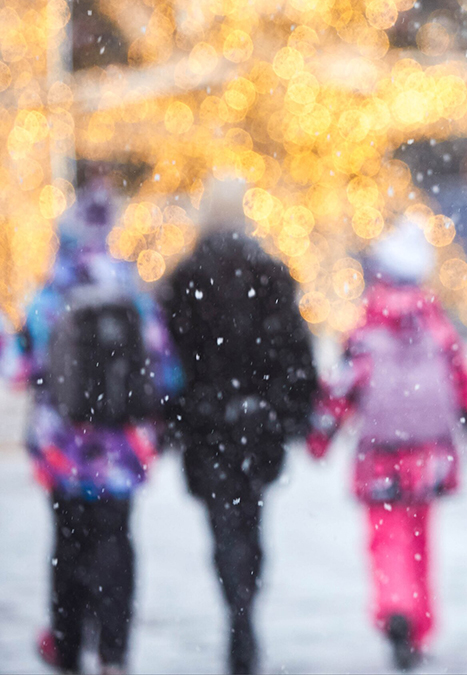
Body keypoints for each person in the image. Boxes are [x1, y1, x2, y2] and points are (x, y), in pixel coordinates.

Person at [14, 183, 181, 674]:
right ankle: (114, 650)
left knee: (68, 546)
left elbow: (19, 366)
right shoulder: (129, 290)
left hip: (62, 448)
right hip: (120, 449)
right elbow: (164, 369)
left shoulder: (53, 292)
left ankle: (66, 646)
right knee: (117, 546)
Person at [306, 224, 467, 670]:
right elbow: (465, 386)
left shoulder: (367, 328)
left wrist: (319, 437)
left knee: (386, 539)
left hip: (380, 455)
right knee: (422, 540)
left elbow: (341, 387)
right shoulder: (438, 326)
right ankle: (420, 625)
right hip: (430, 452)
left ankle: (396, 607)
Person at [160, 180, 316, 674]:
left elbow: (169, 359)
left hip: (207, 424)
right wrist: (287, 410)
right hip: (257, 422)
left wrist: (179, 414)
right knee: (250, 518)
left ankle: (237, 607)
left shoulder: (185, 276)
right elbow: (295, 351)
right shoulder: (270, 273)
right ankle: (245, 604)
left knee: (224, 524)